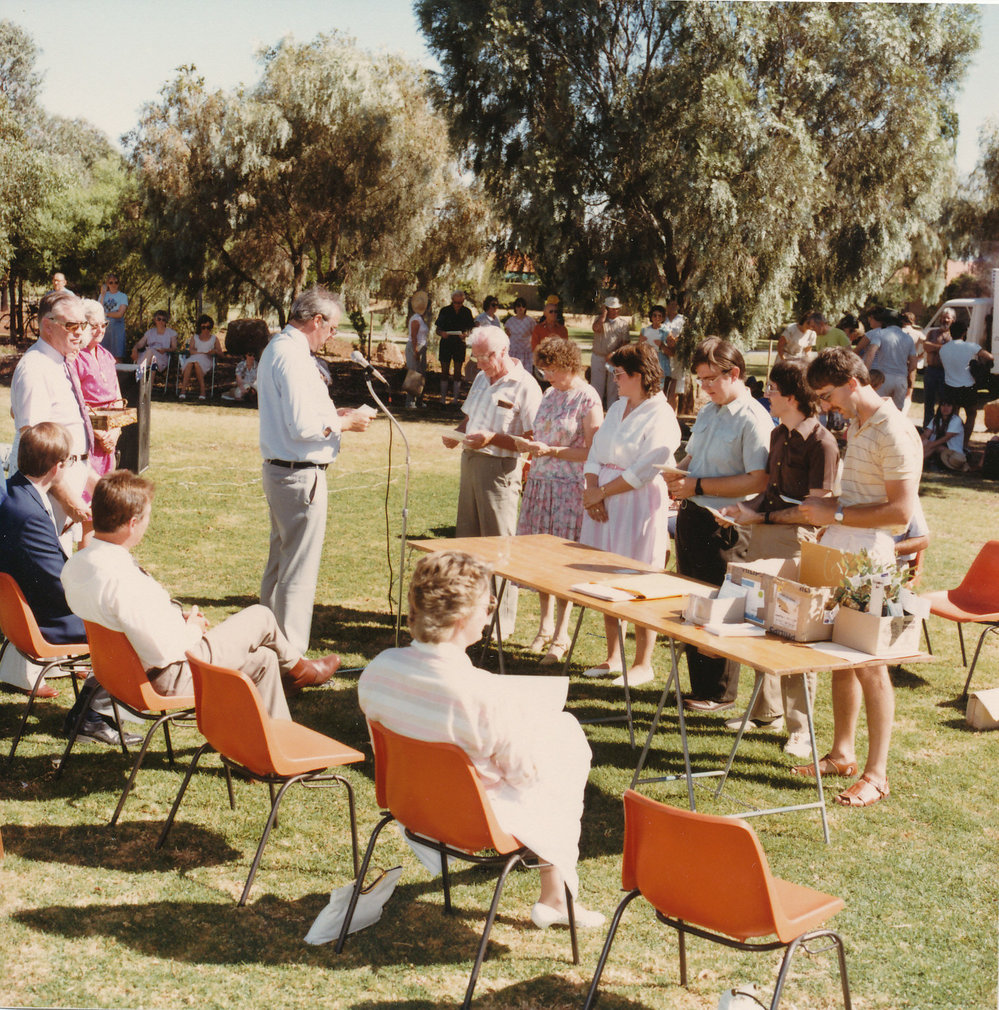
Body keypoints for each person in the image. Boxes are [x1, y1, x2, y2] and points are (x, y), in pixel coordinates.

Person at [358, 550, 604, 930]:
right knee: (565, 742)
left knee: (554, 742)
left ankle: (555, 895)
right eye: (488, 606)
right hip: (470, 821)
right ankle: (555, 896)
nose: (490, 614)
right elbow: (524, 775)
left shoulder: (379, 670)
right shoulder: (479, 694)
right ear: (462, 618)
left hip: (410, 804)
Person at [62, 471, 342, 719]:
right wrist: (193, 629)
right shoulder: (124, 580)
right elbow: (164, 652)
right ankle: (301, 670)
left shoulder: (78, 564)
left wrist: (174, 618)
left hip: (120, 674)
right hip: (167, 678)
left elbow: (127, 620)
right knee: (261, 617)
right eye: (147, 517)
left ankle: (268, 749)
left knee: (265, 660)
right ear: (132, 523)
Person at [796, 347, 922, 808]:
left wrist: (835, 513)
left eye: (827, 394)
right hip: (843, 549)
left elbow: (901, 513)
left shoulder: (894, 430)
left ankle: (877, 774)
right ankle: (842, 753)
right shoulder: (858, 423)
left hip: (872, 558)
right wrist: (829, 511)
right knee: (840, 655)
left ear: (852, 382)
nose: (825, 405)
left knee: (871, 663)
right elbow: (860, 496)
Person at [719, 360, 840, 758]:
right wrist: (744, 509)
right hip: (764, 536)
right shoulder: (777, 434)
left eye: (772, 388)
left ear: (791, 396)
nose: (766, 393)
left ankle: (802, 729)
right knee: (760, 622)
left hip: (794, 541)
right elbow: (769, 492)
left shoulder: (823, 444)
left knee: (794, 631)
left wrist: (761, 517)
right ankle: (763, 711)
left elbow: (813, 512)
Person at [257, 286, 373, 654]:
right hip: (299, 475)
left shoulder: (282, 348)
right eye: (333, 328)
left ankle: (267, 645)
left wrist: (332, 415)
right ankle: (290, 658)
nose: (332, 336)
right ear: (317, 320)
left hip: (286, 471)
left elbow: (298, 415)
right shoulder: (291, 355)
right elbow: (302, 427)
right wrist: (346, 423)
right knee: (298, 572)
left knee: (280, 564)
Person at [663, 338, 771, 710]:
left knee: (722, 603)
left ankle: (719, 692)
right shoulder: (710, 411)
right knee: (695, 602)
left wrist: (697, 485)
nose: (705, 386)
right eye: (701, 379)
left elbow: (758, 479)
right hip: (692, 515)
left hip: (725, 524)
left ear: (734, 373)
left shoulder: (753, 418)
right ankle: (701, 686)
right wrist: (677, 474)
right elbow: (693, 456)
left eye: (710, 379)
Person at [580, 342, 681, 686]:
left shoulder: (661, 415)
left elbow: (646, 468)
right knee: (606, 578)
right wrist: (592, 490)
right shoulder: (616, 407)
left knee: (639, 577)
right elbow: (595, 452)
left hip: (636, 502)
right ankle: (614, 657)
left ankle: (642, 663)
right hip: (603, 499)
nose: (615, 380)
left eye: (620, 374)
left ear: (639, 375)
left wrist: (603, 492)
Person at [442, 327, 542, 633]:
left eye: (484, 357)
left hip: (500, 469)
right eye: (476, 357)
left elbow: (534, 439)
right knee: (468, 542)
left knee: (498, 544)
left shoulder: (525, 385)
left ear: (503, 351)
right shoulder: (481, 378)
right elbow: (469, 417)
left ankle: (500, 623)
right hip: (471, 462)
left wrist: (493, 438)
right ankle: (470, 615)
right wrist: (456, 434)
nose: (479, 363)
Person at [516, 337, 603, 664]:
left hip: (568, 488)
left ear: (569, 365)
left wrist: (552, 451)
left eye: (551, 369)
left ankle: (561, 634)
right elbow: (542, 433)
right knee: (541, 559)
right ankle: (544, 627)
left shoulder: (588, 397)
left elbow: (593, 451)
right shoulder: (550, 394)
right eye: (543, 370)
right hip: (540, 484)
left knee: (561, 562)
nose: (547, 375)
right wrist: (531, 444)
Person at [9, 290, 96, 548]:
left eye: (83, 325)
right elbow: (37, 450)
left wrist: (96, 484)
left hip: (63, 482)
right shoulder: (36, 368)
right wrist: (70, 502)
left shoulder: (58, 363)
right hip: (47, 492)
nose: (79, 332)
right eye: (71, 325)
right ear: (47, 326)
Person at [72, 300, 124, 481]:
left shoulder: (107, 356)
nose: (100, 330)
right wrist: (101, 434)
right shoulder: (75, 358)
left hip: (110, 438)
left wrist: (115, 433)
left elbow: (118, 397)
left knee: (106, 490)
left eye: (104, 324)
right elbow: (77, 403)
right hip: (88, 438)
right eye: (94, 326)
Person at [939, 322, 993, 451]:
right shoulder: (971, 346)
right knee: (971, 415)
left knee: (952, 417)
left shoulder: (943, 349)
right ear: (964, 333)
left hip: (950, 386)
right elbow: (990, 357)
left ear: (950, 332)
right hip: (968, 387)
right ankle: (964, 444)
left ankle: (951, 444)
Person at [861, 307, 917, 412]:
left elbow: (870, 354)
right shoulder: (908, 338)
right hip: (901, 379)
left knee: (878, 411)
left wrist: (865, 375)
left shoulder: (880, 334)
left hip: (883, 378)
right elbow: (913, 364)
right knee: (897, 412)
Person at [435, 289, 475, 406]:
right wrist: (441, 333)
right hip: (446, 343)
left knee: (458, 371)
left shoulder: (466, 312)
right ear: (452, 300)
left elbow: (470, 328)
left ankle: (455, 399)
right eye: (456, 303)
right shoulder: (445, 311)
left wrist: (466, 334)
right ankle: (443, 398)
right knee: (444, 371)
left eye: (460, 303)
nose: (458, 305)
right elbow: (438, 329)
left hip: (459, 344)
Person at [590, 296, 631, 407]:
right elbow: (596, 328)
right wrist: (603, 315)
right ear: (606, 308)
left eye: (617, 308)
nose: (615, 311)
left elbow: (625, 342)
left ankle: (611, 412)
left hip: (614, 359)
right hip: (598, 356)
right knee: (596, 387)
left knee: (613, 388)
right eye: (612, 309)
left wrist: (614, 354)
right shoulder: (599, 320)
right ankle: (595, 410)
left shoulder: (623, 323)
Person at [921, 307, 954, 427]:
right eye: (943, 317)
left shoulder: (954, 335)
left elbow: (951, 351)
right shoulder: (932, 333)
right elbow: (926, 346)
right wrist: (941, 347)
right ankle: (927, 427)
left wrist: (934, 347)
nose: (945, 320)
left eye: (948, 318)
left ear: (953, 320)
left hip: (945, 372)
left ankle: (942, 428)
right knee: (928, 401)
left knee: (944, 402)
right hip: (931, 371)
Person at [179, 315, 222, 401]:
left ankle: (202, 391)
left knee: (196, 363)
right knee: (190, 363)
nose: (206, 330)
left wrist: (215, 351)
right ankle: (183, 391)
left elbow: (221, 354)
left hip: (207, 359)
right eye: (203, 327)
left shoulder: (214, 339)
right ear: (200, 327)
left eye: (208, 327)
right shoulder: (195, 337)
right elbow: (191, 351)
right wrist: (201, 352)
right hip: (194, 357)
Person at [922, 395, 969, 472]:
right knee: (924, 442)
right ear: (940, 407)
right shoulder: (936, 419)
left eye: (949, 406)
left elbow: (946, 438)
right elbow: (926, 434)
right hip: (936, 446)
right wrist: (919, 443)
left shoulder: (956, 420)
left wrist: (930, 445)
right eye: (943, 405)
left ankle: (917, 461)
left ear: (953, 408)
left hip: (952, 451)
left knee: (935, 446)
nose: (945, 408)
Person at [405, 290, 430, 409]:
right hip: (415, 346)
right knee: (414, 374)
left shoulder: (420, 318)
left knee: (421, 375)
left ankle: (419, 400)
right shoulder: (416, 319)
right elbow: (414, 336)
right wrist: (415, 351)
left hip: (421, 347)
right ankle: (410, 402)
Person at [641, 305, 673, 393]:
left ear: (663, 318)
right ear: (651, 316)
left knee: (660, 392)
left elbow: (672, 353)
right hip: (648, 364)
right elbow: (639, 350)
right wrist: (641, 343)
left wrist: (662, 345)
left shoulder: (666, 332)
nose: (657, 318)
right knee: (648, 391)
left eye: (660, 316)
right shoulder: (644, 331)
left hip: (662, 365)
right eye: (654, 315)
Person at [98, 274, 128, 361]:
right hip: (104, 327)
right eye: (111, 282)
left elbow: (120, 314)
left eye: (116, 282)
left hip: (117, 326)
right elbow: (98, 310)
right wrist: (102, 295)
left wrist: (106, 314)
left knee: (117, 355)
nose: (114, 284)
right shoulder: (103, 295)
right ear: (107, 284)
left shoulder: (122, 296)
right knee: (102, 354)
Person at [531, 296, 569, 360]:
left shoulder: (563, 330)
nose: (554, 313)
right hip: (542, 361)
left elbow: (565, 348)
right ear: (545, 313)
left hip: (558, 361)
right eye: (551, 311)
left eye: (555, 311)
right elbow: (535, 348)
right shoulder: (538, 329)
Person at [504, 297, 535, 373]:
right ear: (515, 307)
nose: (521, 308)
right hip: (513, 352)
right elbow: (506, 337)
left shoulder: (530, 321)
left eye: (523, 306)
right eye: (518, 305)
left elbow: (535, 336)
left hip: (526, 353)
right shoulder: (510, 321)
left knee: (526, 374)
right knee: (512, 373)